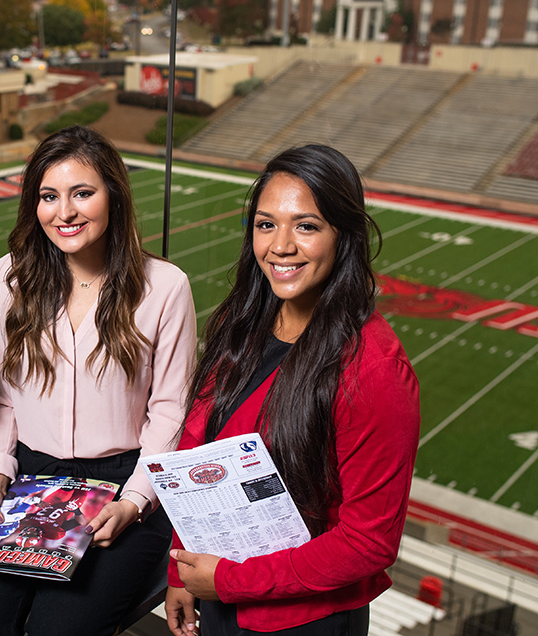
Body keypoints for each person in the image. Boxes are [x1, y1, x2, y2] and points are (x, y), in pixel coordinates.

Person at [0, 125, 197, 636]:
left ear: (114, 196)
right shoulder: (11, 276)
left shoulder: (165, 287)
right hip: (26, 476)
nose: (64, 213)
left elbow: (171, 411)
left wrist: (136, 499)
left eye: (82, 193)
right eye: (48, 196)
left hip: (121, 479)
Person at [165, 145, 420, 636]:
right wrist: (183, 568)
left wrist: (231, 580)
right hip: (221, 595)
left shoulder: (373, 370)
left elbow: (369, 542)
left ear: (342, 236)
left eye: (306, 225)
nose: (280, 246)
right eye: (265, 224)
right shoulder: (246, 321)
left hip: (301, 618)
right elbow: (199, 460)